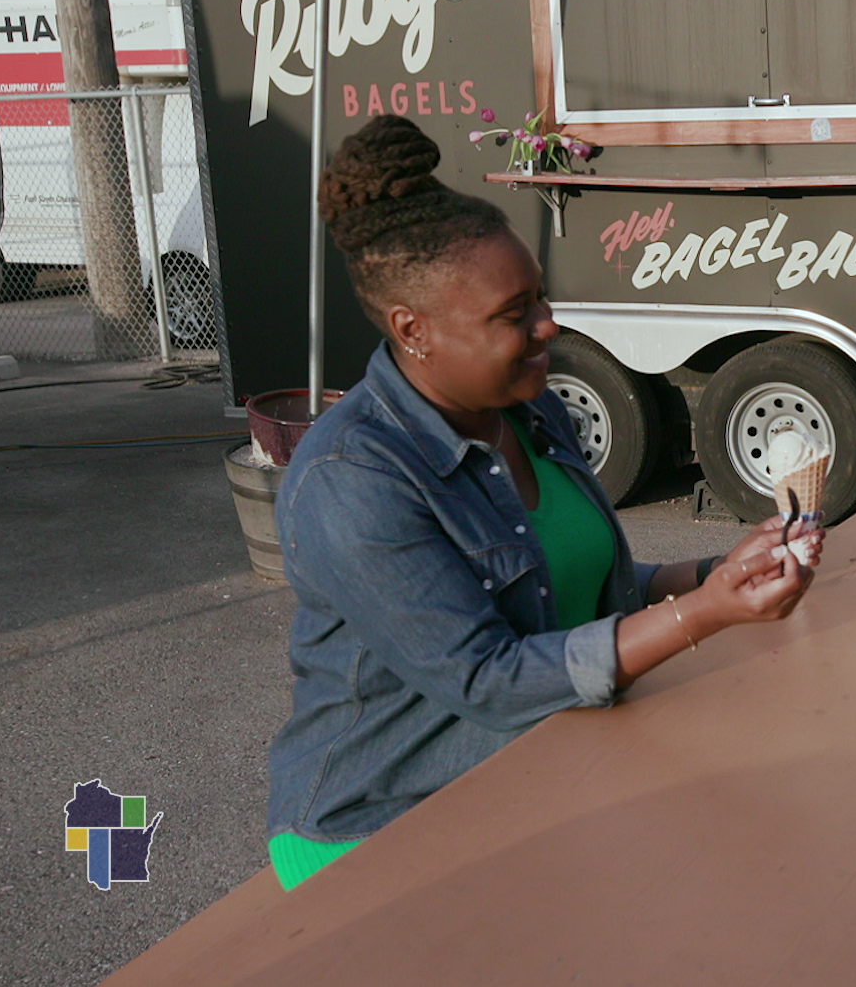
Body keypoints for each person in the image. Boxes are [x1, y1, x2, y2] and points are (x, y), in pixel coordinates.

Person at [265, 115, 821, 890]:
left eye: (540, 298)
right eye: (513, 313)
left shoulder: (530, 410)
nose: (547, 325)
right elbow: (488, 680)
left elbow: (570, 582)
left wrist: (716, 571)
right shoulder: (352, 480)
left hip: (533, 770)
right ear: (412, 330)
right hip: (381, 832)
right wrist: (707, 615)